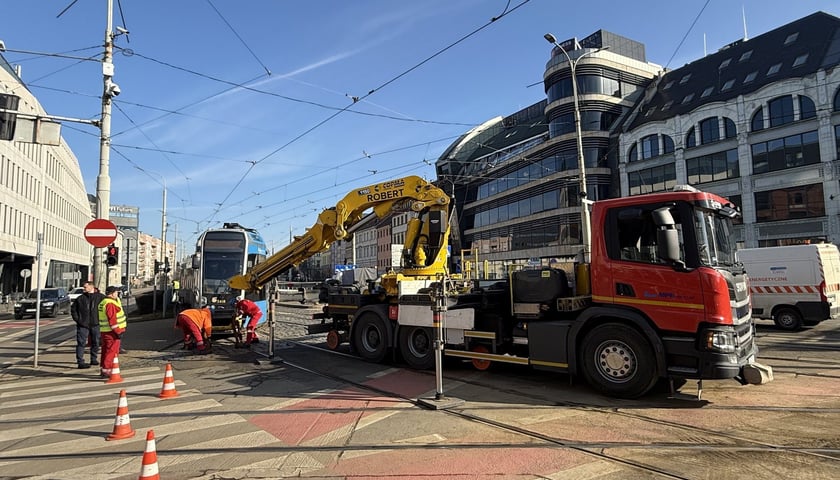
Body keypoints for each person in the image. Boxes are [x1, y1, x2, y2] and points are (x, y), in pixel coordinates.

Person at [70, 281, 105, 369]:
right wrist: (78, 320)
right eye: (84, 287)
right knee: (81, 343)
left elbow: (105, 308)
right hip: (83, 324)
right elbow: (74, 310)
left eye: (85, 287)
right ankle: (80, 361)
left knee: (95, 342)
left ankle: (93, 359)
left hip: (95, 323)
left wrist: (101, 320)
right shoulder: (80, 298)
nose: (84, 289)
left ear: (91, 287)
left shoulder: (100, 297)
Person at [98, 285, 127, 379]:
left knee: (105, 350)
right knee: (112, 351)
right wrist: (118, 331)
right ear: (112, 293)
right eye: (116, 292)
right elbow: (112, 320)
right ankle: (107, 370)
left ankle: (103, 369)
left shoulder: (103, 302)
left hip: (105, 331)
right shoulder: (110, 304)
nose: (117, 294)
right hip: (112, 332)